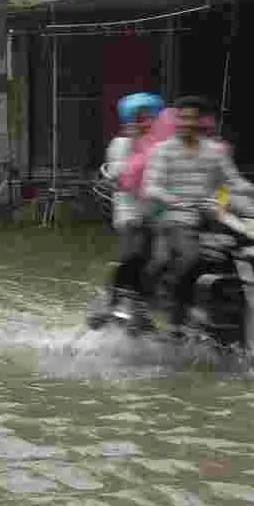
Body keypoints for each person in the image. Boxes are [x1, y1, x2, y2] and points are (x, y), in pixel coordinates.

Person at [143, 95, 254, 336]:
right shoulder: (162, 151)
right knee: (191, 257)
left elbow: (232, 181)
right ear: (177, 121)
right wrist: (173, 200)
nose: (188, 123)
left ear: (201, 122)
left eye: (193, 118)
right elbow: (151, 187)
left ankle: (229, 310)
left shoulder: (215, 151)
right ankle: (176, 308)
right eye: (183, 118)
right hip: (175, 216)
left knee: (245, 246)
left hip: (211, 212)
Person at [89, 92, 166, 331]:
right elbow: (118, 177)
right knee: (135, 251)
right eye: (137, 118)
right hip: (129, 207)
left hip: (161, 208)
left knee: (162, 256)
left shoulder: (164, 145)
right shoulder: (121, 145)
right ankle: (114, 300)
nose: (143, 123)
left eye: (148, 117)